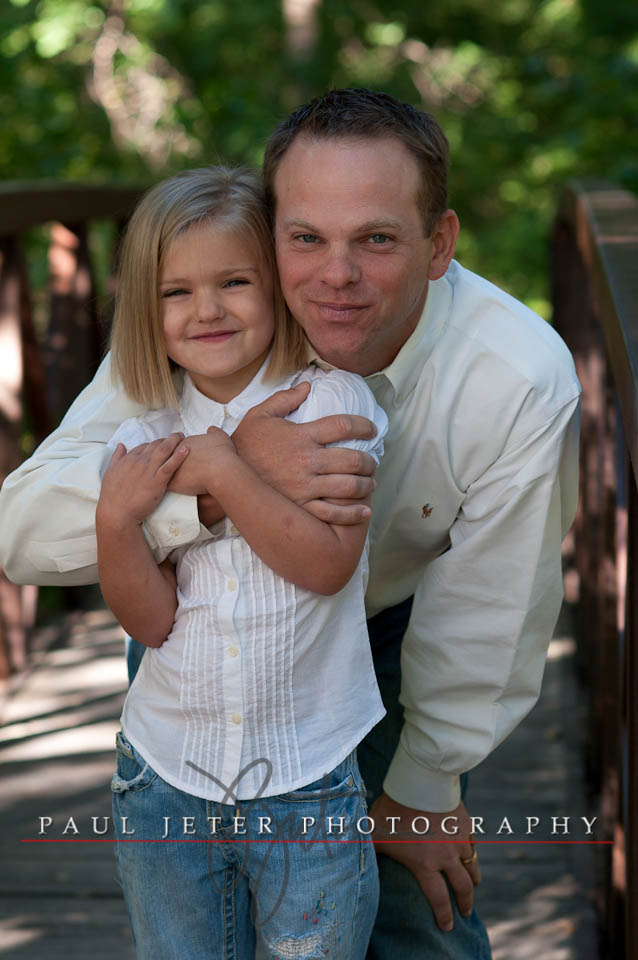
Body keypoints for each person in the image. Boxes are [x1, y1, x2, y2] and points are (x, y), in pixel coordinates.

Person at [0, 89, 581, 960]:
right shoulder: (203, 332)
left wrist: (424, 787)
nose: (334, 275)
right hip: (189, 628)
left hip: (383, 644)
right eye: (305, 237)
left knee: (420, 923)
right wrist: (215, 484)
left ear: (439, 243)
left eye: (376, 239)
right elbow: (22, 532)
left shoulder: (519, 378)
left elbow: (491, 612)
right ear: (270, 235)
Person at [97, 165, 388, 958]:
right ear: (145, 310)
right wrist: (118, 522)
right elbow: (150, 620)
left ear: (277, 286)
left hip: (307, 780)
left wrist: (224, 468)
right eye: (176, 292)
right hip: (164, 779)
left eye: (234, 281)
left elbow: (328, 565)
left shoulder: (329, 404)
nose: (208, 309)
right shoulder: (140, 435)